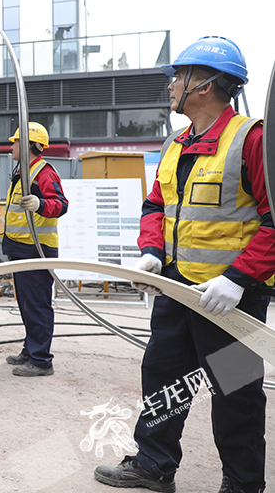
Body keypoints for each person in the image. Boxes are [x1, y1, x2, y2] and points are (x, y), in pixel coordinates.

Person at [94, 36, 275, 493]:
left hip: (232, 304)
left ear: (205, 84)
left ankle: (242, 482)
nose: (171, 84)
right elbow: (156, 205)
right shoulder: (176, 141)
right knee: (162, 378)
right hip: (178, 292)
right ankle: (154, 466)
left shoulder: (251, 139)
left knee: (236, 392)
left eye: (179, 75)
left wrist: (239, 279)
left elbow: (274, 222)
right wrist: (152, 251)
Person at [2, 122, 68, 377]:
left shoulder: (43, 172)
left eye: (15, 142)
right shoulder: (24, 171)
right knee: (26, 304)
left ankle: (41, 361)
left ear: (30, 144)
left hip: (36, 250)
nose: (11, 147)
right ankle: (30, 350)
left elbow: (61, 205)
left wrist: (40, 204)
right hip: (21, 248)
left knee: (37, 305)